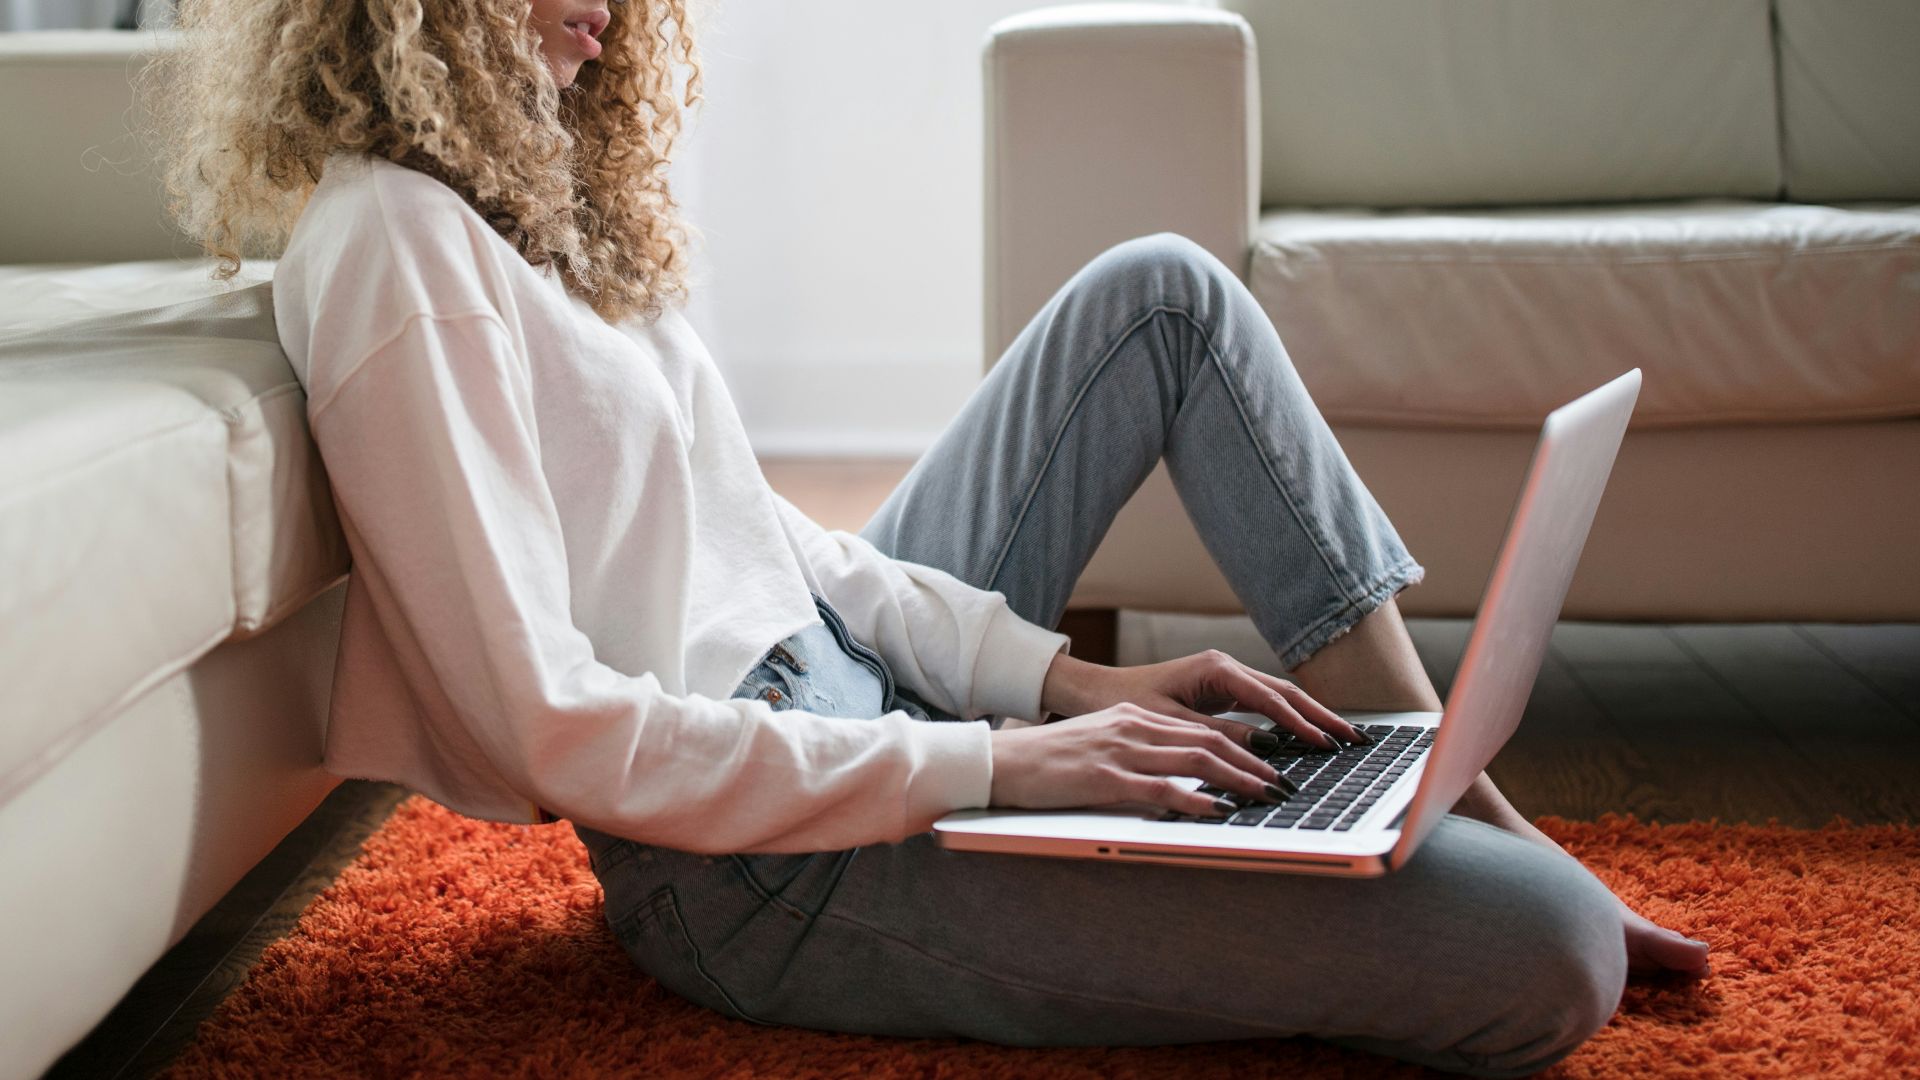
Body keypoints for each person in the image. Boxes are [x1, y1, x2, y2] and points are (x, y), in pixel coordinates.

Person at [151, 1, 1710, 1074]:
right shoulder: (393, 251)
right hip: (755, 867)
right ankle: (1490, 863)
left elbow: (776, 545)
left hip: (848, 697)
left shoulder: (531, 202)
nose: (611, 12)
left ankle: (1448, 796)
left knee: (1162, 292)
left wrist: (1054, 689)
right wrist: (990, 766)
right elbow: (549, 725)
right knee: (1554, 960)